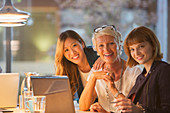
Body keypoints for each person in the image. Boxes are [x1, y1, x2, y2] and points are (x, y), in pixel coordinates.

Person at [79, 25, 142, 113]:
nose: (106, 49)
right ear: (96, 49)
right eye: (101, 45)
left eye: (111, 43)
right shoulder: (96, 71)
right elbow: (83, 106)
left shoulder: (134, 72)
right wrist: (93, 77)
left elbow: (136, 110)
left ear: (119, 45)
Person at [111, 26, 170, 113]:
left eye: (141, 46)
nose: (136, 53)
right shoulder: (140, 77)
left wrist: (141, 111)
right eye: (132, 49)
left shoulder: (164, 70)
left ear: (153, 45)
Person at [55, 30, 103, 99]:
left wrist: (105, 58)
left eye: (74, 45)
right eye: (66, 50)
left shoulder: (98, 54)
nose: (72, 53)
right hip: (88, 108)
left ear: (82, 44)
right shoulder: (68, 68)